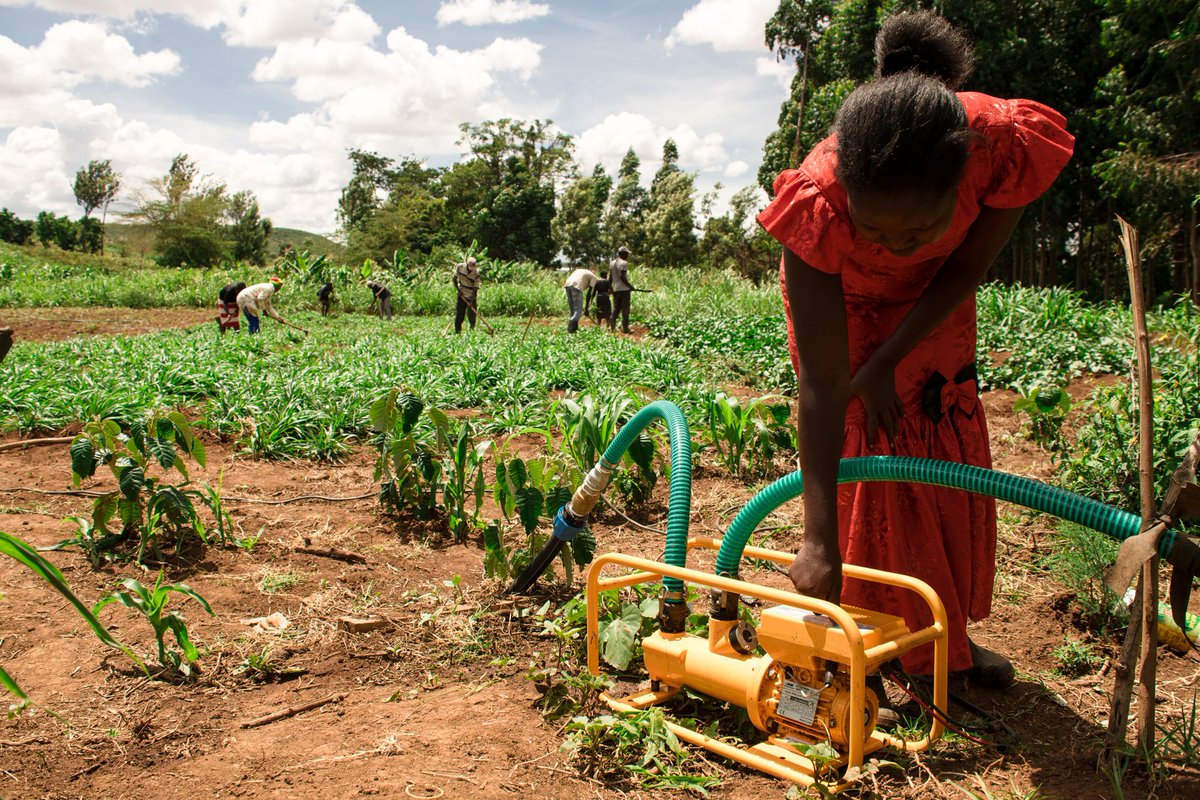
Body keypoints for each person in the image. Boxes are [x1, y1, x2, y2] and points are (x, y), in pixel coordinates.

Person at [757, 10, 1073, 689]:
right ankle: (880, 645)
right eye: (881, 230)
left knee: (936, 431)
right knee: (869, 448)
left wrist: (891, 361)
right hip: (850, 301)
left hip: (939, 295)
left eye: (920, 227)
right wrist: (814, 542)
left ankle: (945, 640)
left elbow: (964, 269)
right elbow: (822, 382)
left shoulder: (996, 143)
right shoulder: (818, 203)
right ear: (851, 202)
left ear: (957, 185)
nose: (900, 244)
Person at [564, 266, 599, 333]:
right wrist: (586, 308)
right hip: (577, 286)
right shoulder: (593, 277)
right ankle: (570, 330)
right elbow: (589, 294)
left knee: (573, 310)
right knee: (578, 311)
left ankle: (574, 329)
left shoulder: (581, 270)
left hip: (568, 285)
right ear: (593, 272)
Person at [609, 246, 634, 333]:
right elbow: (622, 277)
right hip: (624, 290)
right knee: (625, 309)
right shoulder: (624, 263)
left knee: (616, 308)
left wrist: (610, 287)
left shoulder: (612, 263)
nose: (627, 255)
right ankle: (626, 328)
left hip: (616, 290)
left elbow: (610, 276)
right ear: (622, 254)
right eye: (626, 254)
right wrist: (630, 286)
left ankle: (612, 327)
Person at [453, 256, 481, 334]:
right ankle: (457, 332)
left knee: (472, 316)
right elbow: (454, 278)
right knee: (459, 315)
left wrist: (471, 301)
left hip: (471, 295)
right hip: (461, 294)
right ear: (467, 265)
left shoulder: (476, 273)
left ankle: (471, 332)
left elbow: (475, 289)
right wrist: (458, 290)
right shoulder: (460, 267)